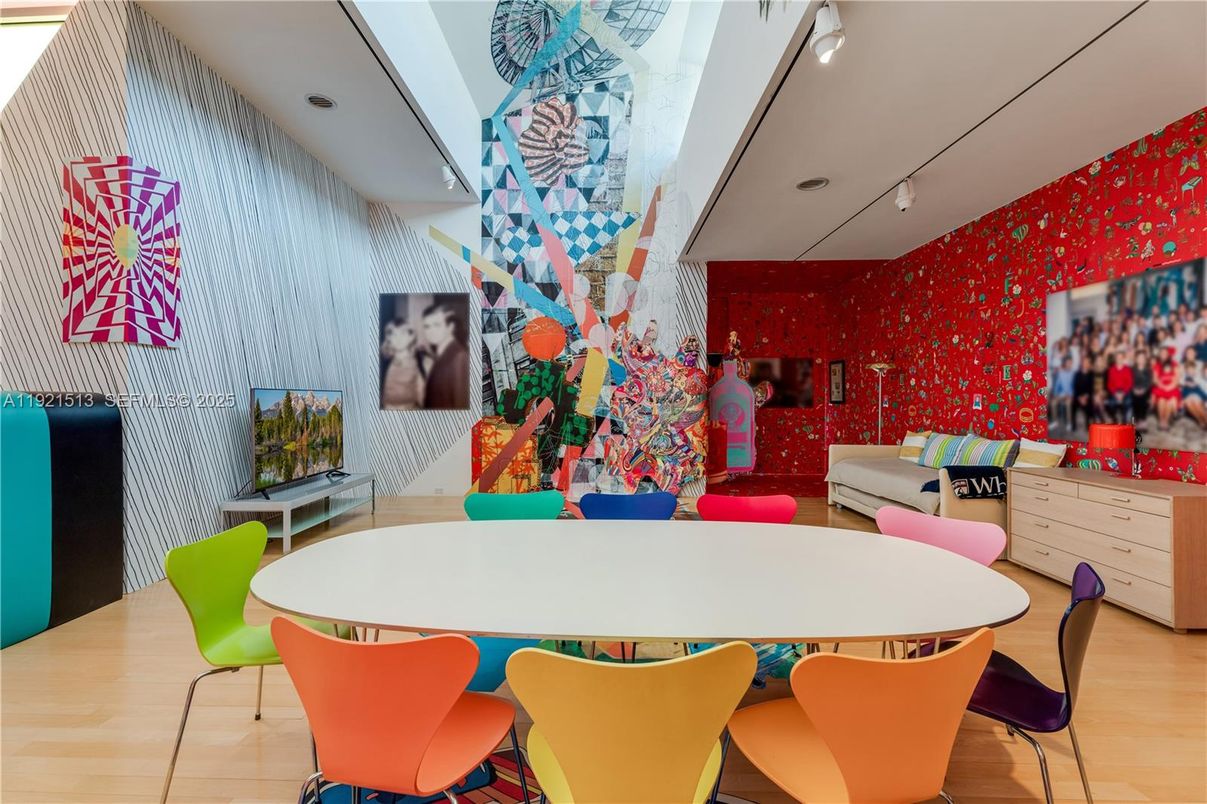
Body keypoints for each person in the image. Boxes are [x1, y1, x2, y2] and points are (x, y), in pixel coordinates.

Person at [421, 302, 469, 409]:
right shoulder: (439, 355)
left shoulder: (459, 357)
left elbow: (461, 404)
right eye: (427, 326)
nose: (430, 331)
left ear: (450, 327)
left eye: (436, 325)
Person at [380, 319, 424, 411]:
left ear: (411, 337)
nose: (399, 339)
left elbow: (421, 391)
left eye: (403, 334)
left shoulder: (419, 361)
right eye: (394, 335)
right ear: (389, 339)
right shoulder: (383, 361)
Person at [1152, 352, 1181, 431]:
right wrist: (1163, 386)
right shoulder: (1158, 366)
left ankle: (1166, 421)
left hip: (1171, 389)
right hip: (1162, 389)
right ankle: (1161, 421)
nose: (1163, 356)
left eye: (1165, 354)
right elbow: (1157, 380)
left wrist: (1169, 387)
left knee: (1169, 401)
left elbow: (1176, 379)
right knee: (1161, 400)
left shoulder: (1173, 365)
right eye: (1161, 354)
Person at [1105, 351, 1133, 423]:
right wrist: (1115, 394)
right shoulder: (1111, 369)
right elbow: (1109, 384)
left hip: (1125, 391)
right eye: (1118, 358)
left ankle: (1124, 419)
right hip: (1115, 391)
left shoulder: (1127, 369)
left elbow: (1129, 383)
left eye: (1121, 358)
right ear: (1115, 359)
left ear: (1123, 359)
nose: (1119, 359)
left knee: (1128, 402)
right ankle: (1114, 418)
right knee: (1111, 403)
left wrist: (1123, 393)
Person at [1050, 355, 1076, 431]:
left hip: (1070, 395)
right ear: (1065, 363)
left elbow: (1075, 386)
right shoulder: (1061, 373)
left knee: (1068, 403)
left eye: (1070, 363)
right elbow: (1057, 385)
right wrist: (1055, 395)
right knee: (1053, 403)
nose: (1069, 364)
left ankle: (1069, 423)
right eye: (1067, 363)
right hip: (1061, 394)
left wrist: (1071, 395)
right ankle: (1055, 422)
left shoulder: (1073, 373)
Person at [1072, 354, 1095, 433]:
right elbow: (1075, 387)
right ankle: (1073, 424)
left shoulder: (1091, 374)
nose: (1085, 364)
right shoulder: (1077, 374)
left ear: (1089, 364)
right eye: (1084, 362)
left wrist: (1085, 397)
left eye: (1087, 362)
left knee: (1090, 404)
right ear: (1082, 363)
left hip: (1087, 396)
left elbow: (1091, 387)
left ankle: (1087, 423)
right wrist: (1079, 397)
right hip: (1078, 396)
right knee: (1073, 404)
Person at [1131, 351, 1154, 432]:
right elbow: (1130, 381)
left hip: (1145, 390)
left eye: (1143, 358)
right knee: (1135, 400)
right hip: (1134, 390)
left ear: (1145, 360)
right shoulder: (1132, 369)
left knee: (1144, 400)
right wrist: (1134, 389)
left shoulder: (1148, 370)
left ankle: (1143, 420)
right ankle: (1136, 420)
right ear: (1136, 359)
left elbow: (1149, 382)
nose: (1141, 360)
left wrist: (1144, 390)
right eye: (1139, 358)